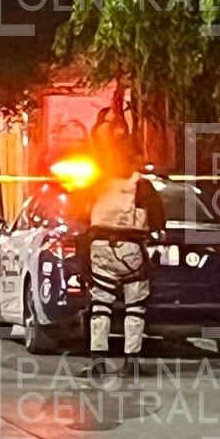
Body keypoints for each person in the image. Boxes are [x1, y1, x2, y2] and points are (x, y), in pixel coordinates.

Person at [82, 142, 165, 380]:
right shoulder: (141, 185)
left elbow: (79, 210)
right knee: (135, 306)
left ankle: (98, 361)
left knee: (100, 304)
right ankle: (132, 362)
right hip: (131, 248)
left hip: (100, 247)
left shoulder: (97, 183)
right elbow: (158, 216)